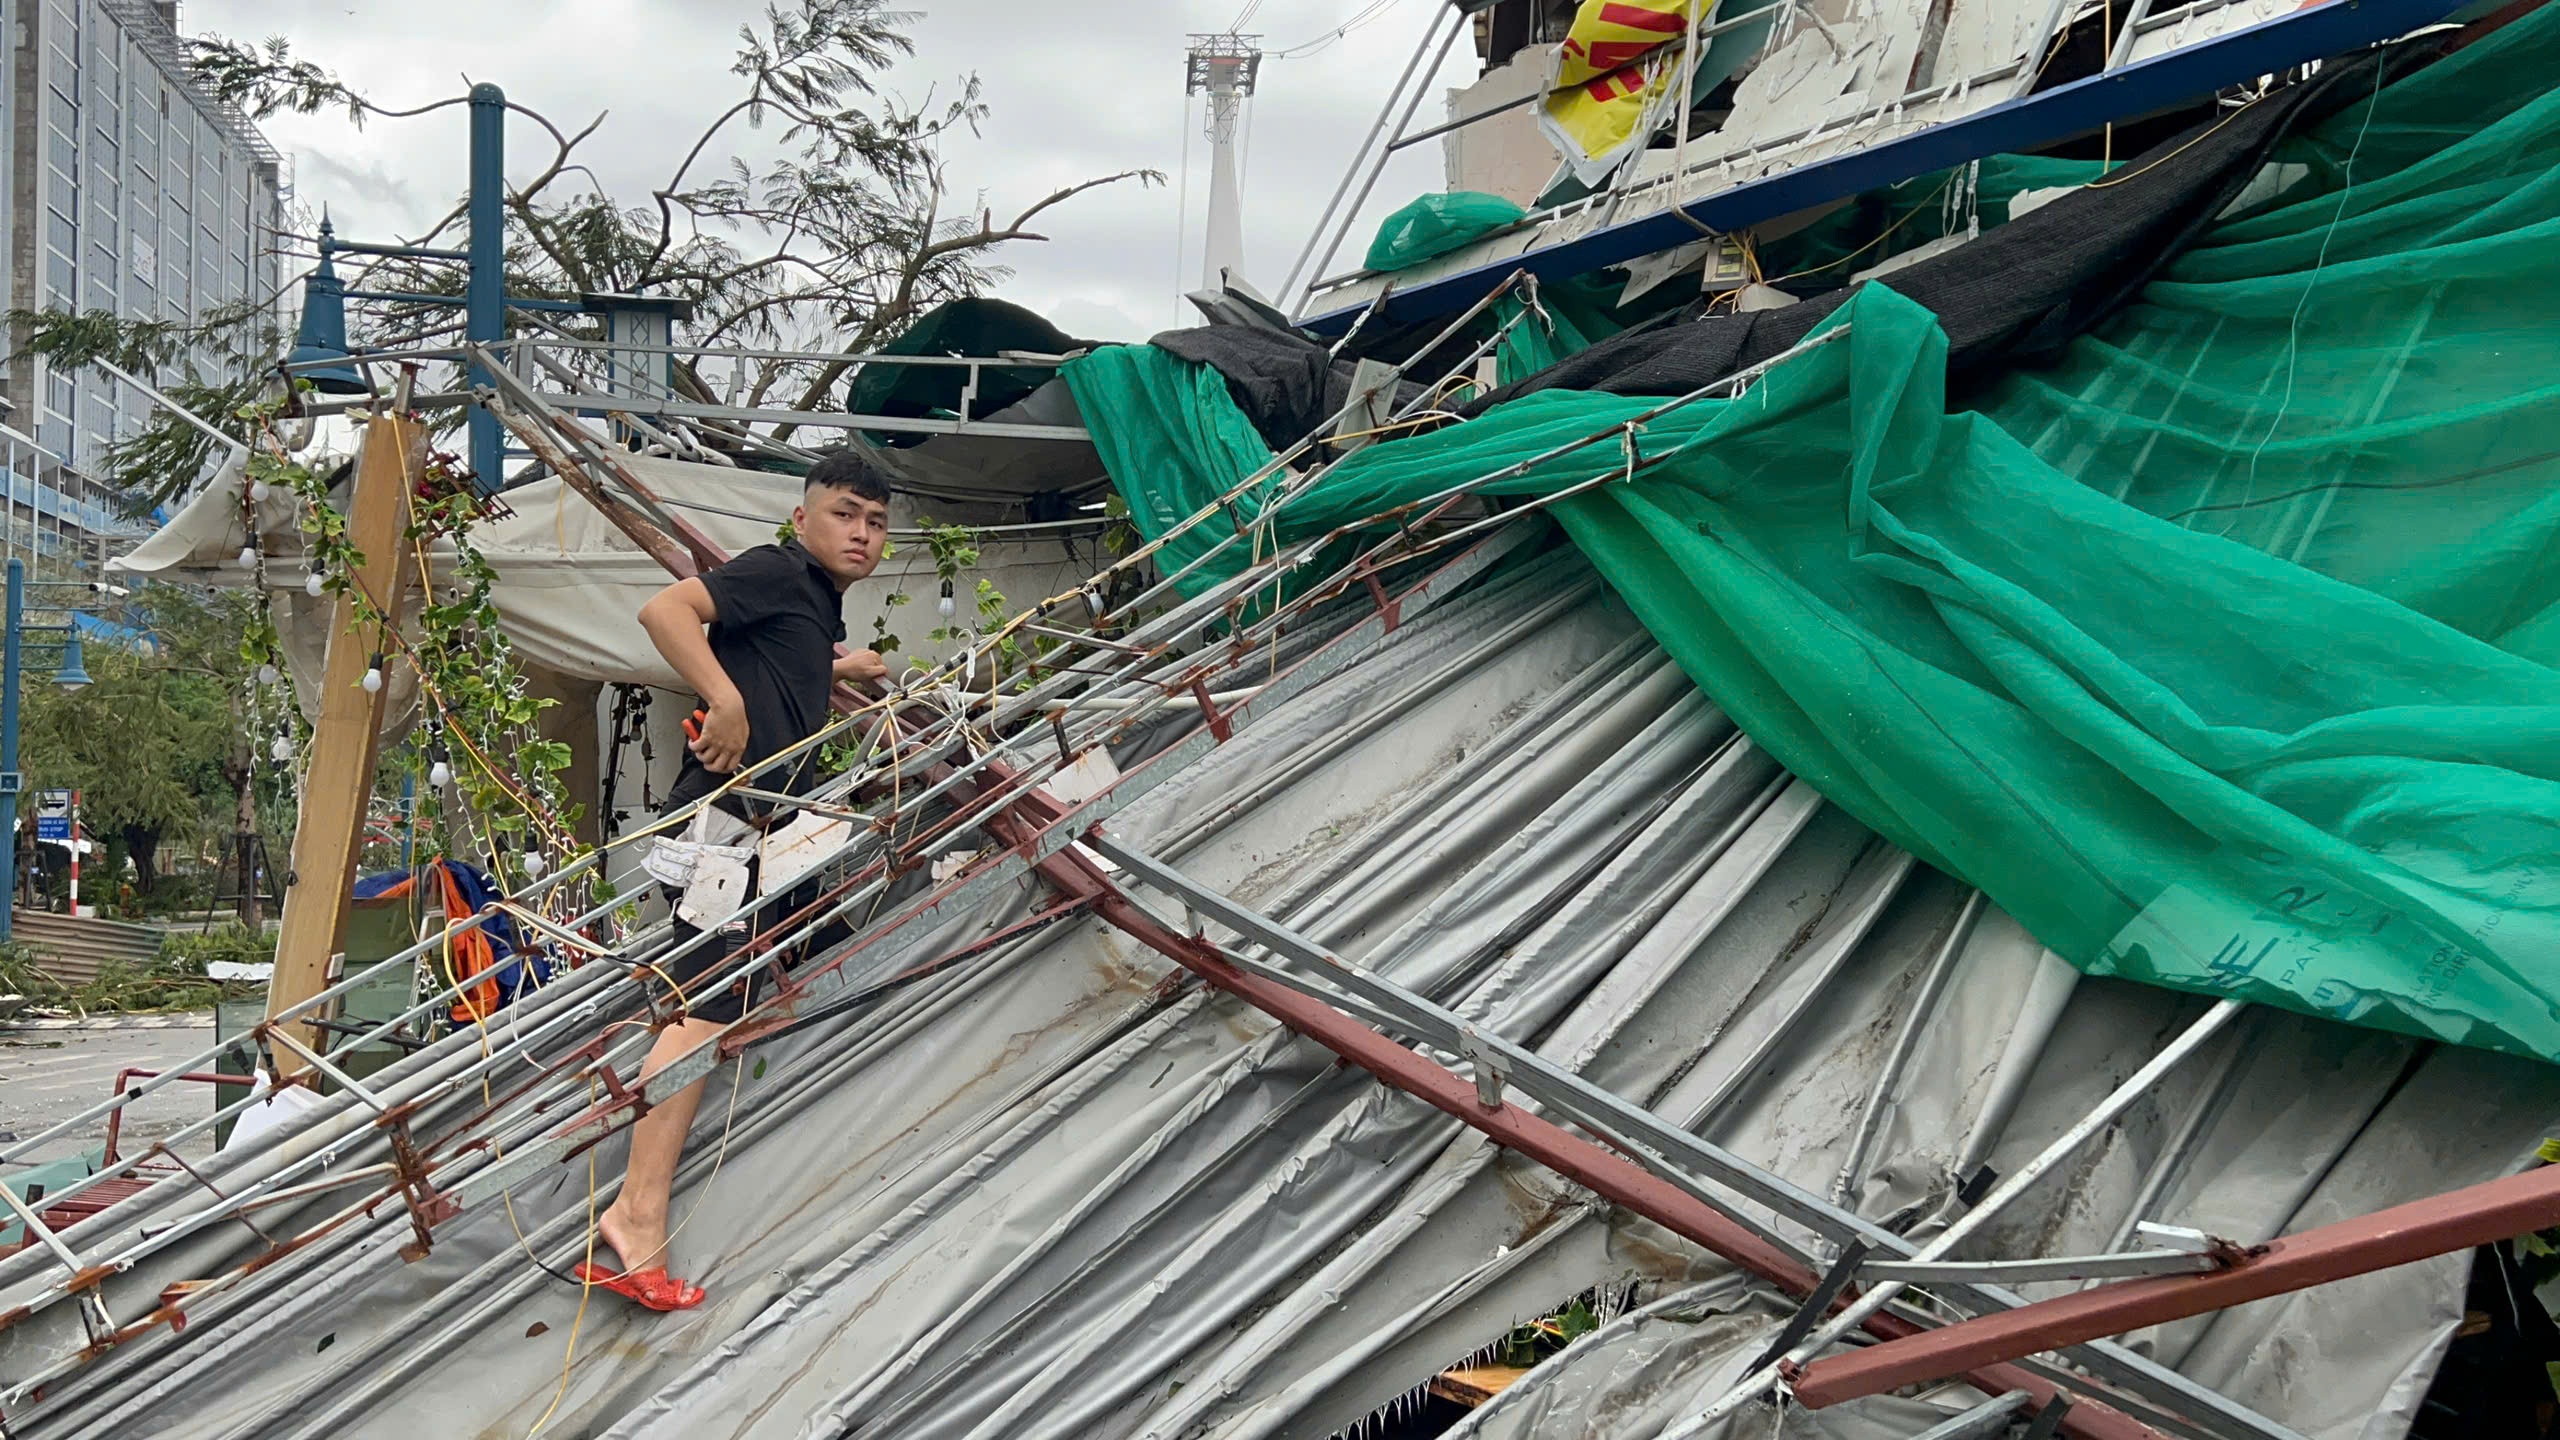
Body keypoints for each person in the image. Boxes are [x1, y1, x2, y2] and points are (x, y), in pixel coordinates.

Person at [583, 449, 892, 1311]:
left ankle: (662, 1181)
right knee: (703, 1011)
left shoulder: (809, 600)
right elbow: (666, 609)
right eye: (843, 514)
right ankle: (635, 1218)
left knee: (818, 941)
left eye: (873, 522)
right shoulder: (777, 570)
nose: (859, 533)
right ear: (803, 520)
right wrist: (721, 700)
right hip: (725, 827)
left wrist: (838, 669)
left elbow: (776, 665)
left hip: (768, 829)